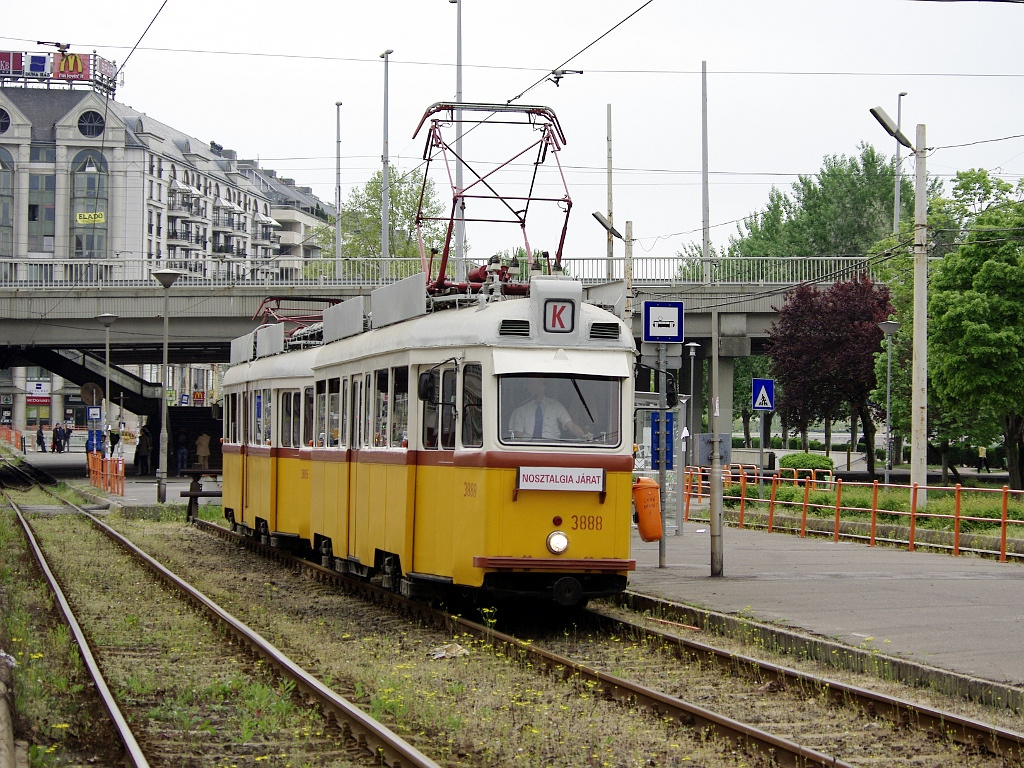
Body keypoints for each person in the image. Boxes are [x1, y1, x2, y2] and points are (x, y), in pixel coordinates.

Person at [508, 377, 588, 441]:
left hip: (552, 446)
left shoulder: (556, 406)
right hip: (530, 447)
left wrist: (582, 435)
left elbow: (570, 425)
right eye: (531, 383)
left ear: (544, 385)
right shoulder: (520, 409)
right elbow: (518, 436)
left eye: (537, 383)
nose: (534, 386)